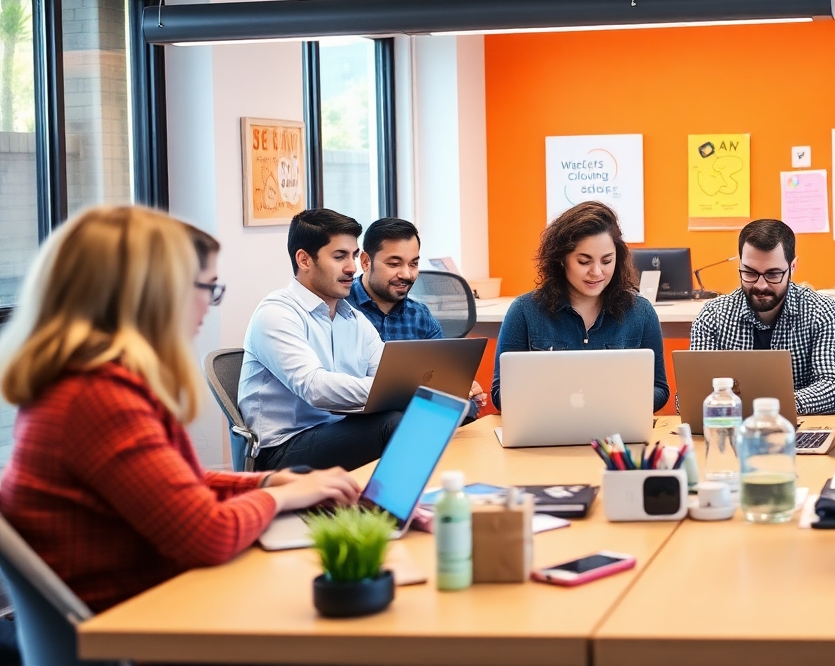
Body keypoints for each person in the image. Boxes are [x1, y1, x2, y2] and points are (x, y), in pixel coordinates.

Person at [0, 207, 359, 612]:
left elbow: (173, 483)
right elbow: (208, 535)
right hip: (139, 624)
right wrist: (279, 500)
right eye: (207, 288)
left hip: (149, 604)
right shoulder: (97, 397)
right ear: (153, 291)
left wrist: (269, 485)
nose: (208, 306)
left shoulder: (84, 381)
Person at [240, 208, 394, 471]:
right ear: (304, 260)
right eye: (339, 256)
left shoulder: (354, 320)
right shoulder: (276, 313)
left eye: (354, 255)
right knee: (395, 423)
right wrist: (400, 390)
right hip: (282, 450)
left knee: (438, 413)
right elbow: (315, 388)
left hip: (337, 431)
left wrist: (431, 390)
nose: (352, 268)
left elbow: (388, 376)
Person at [492, 202, 668, 411]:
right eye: (584, 262)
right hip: (547, 431)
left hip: (615, 434)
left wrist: (619, 401)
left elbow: (659, 388)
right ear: (561, 261)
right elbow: (500, 393)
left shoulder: (641, 312)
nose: (597, 272)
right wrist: (556, 401)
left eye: (606, 261)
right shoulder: (524, 311)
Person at [689, 219, 835, 415]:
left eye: (773, 274)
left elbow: (833, 387)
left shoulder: (821, 311)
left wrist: (773, 409)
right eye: (749, 273)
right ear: (739, 265)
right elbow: (690, 395)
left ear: (793, 266)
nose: (761, 285)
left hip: (799, 429)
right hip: (730, 428)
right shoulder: (712, 316)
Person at [347, 217, 489, 415]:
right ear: (365, 261)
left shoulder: (419, 315)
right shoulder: (340, 308)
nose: (406, 274)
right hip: (355, 424)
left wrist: (463, 392)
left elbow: (445, 377)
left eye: (413, 264)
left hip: (412, 417)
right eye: (394, 264)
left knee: (467, 408)